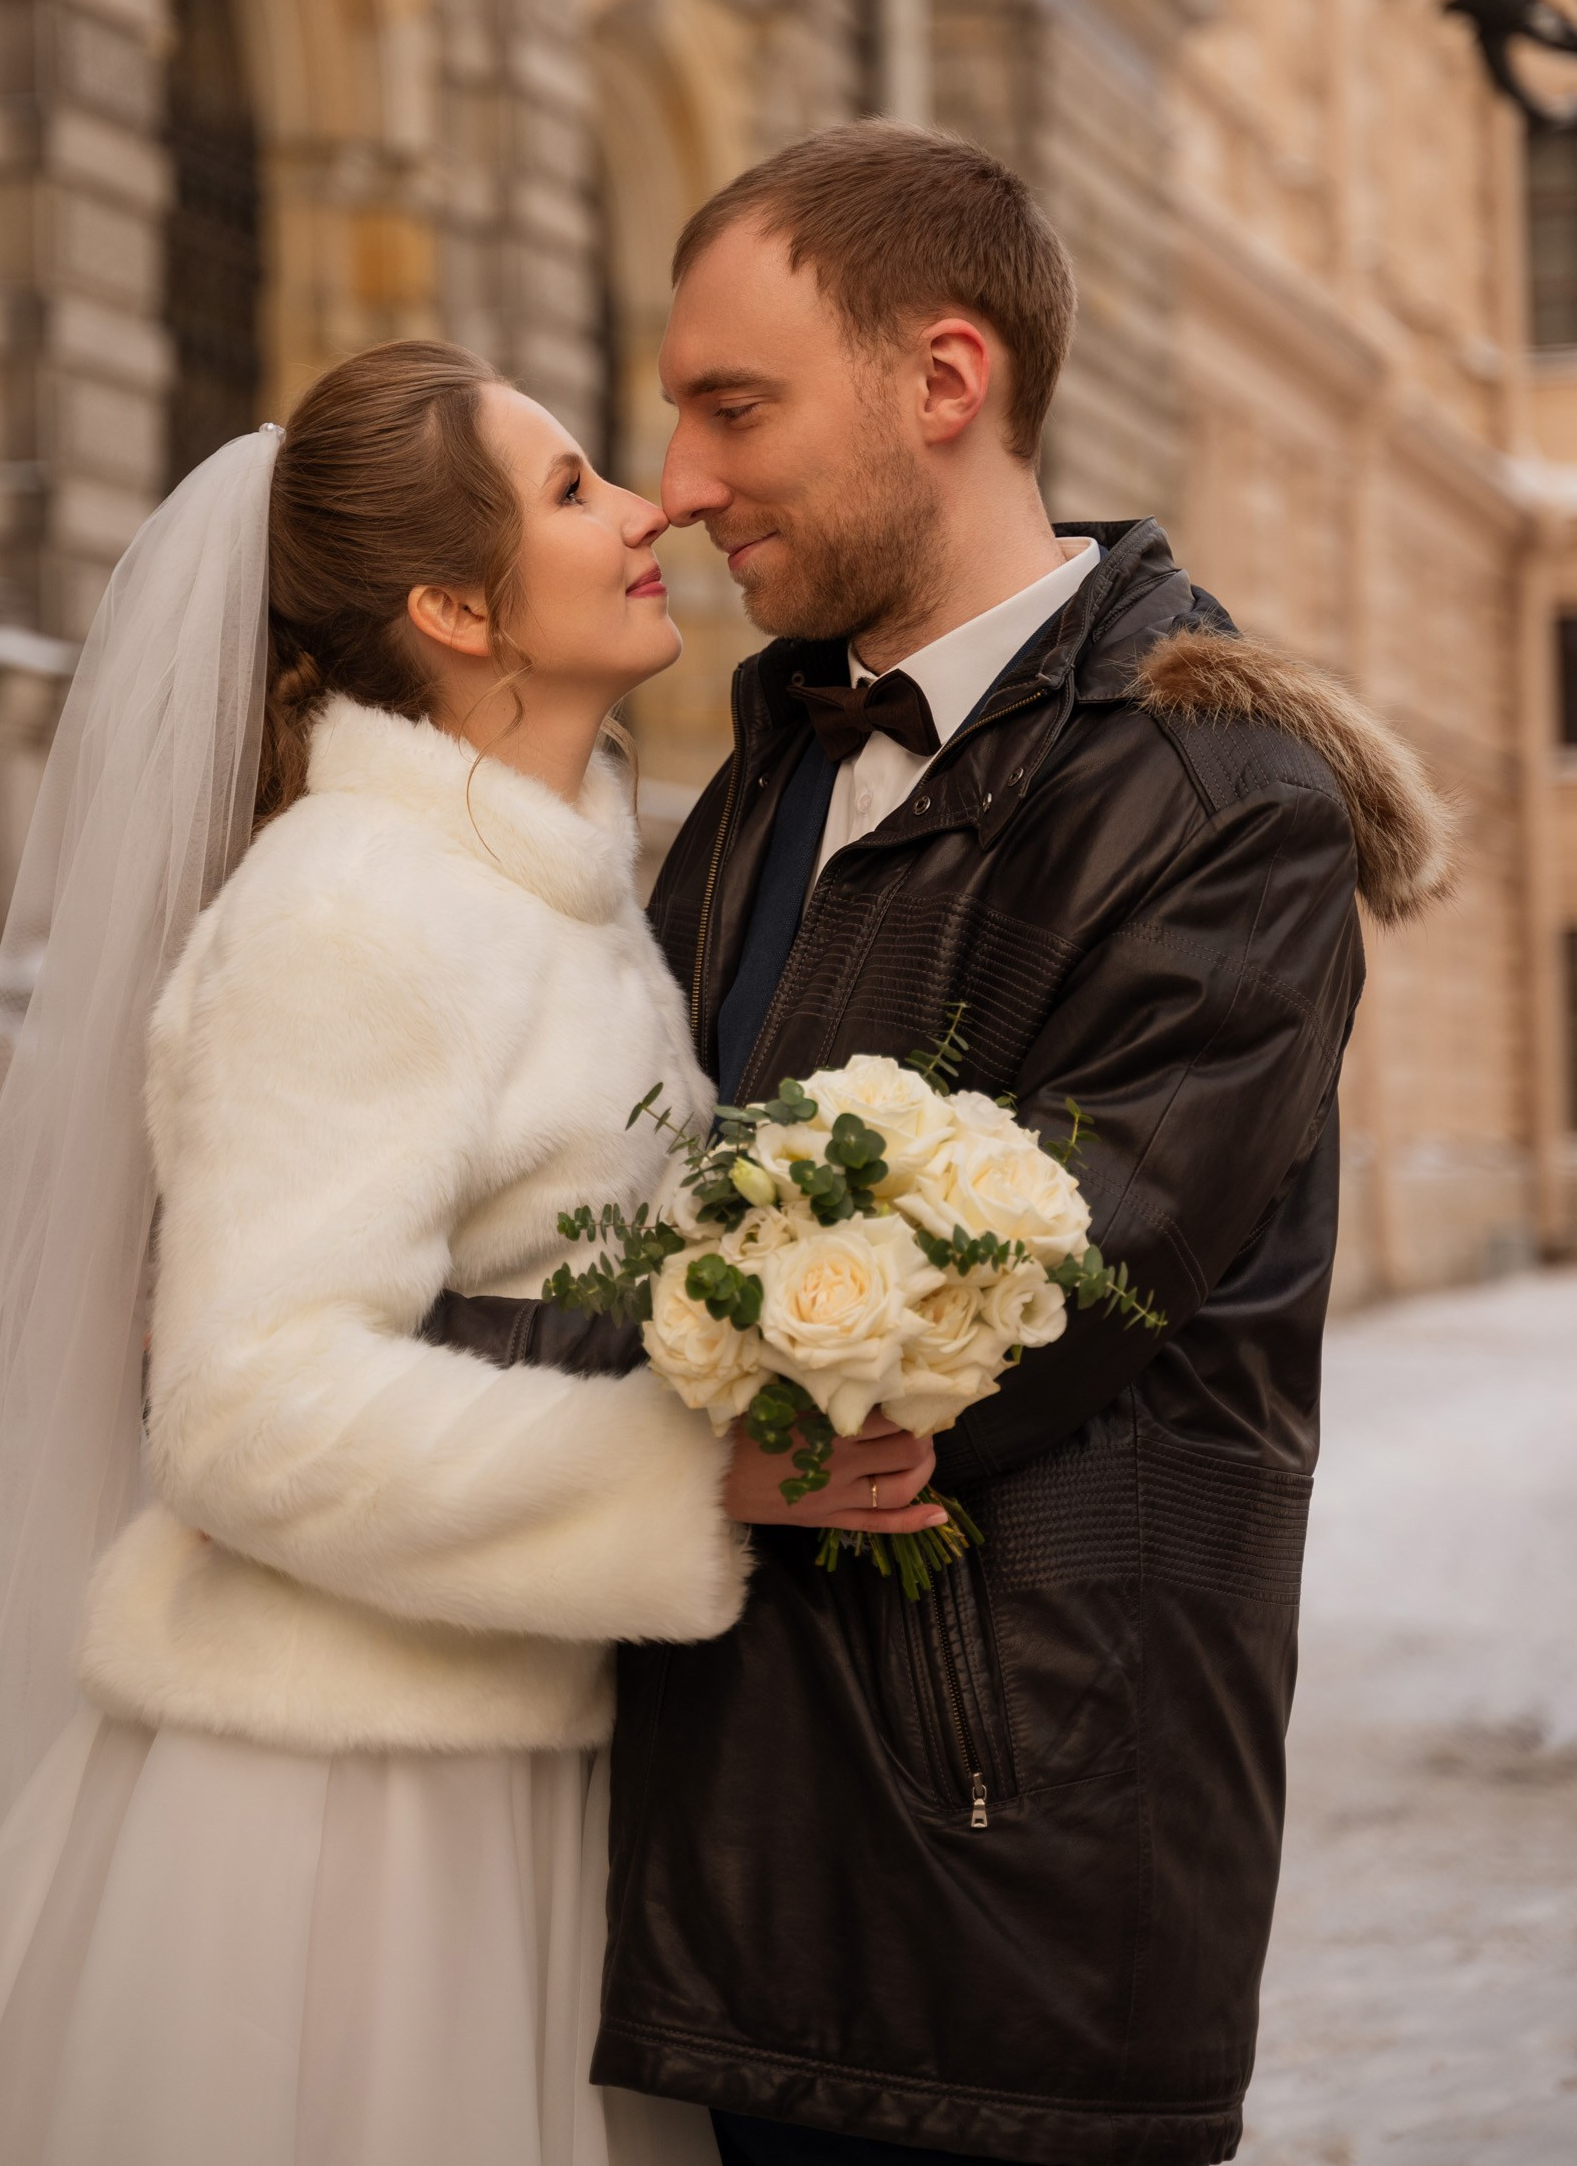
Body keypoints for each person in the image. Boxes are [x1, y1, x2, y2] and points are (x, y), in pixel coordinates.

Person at [0, 340, 941, 2166]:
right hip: (342, 1837)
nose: (647, 510)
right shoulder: (356, 911)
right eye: (569, 492)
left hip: (532, 1773)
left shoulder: (557, 897)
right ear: (458, 607)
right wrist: (691, 1474)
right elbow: (246, 1400)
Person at [590, 124, 1452, 2166]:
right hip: (720, 1855)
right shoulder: (763, 780)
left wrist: (605, 1443)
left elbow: (1047, 1291)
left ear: (942, 381)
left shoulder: (1216, 796)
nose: (684, 481)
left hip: (1016, 1875)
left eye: (736, 406)